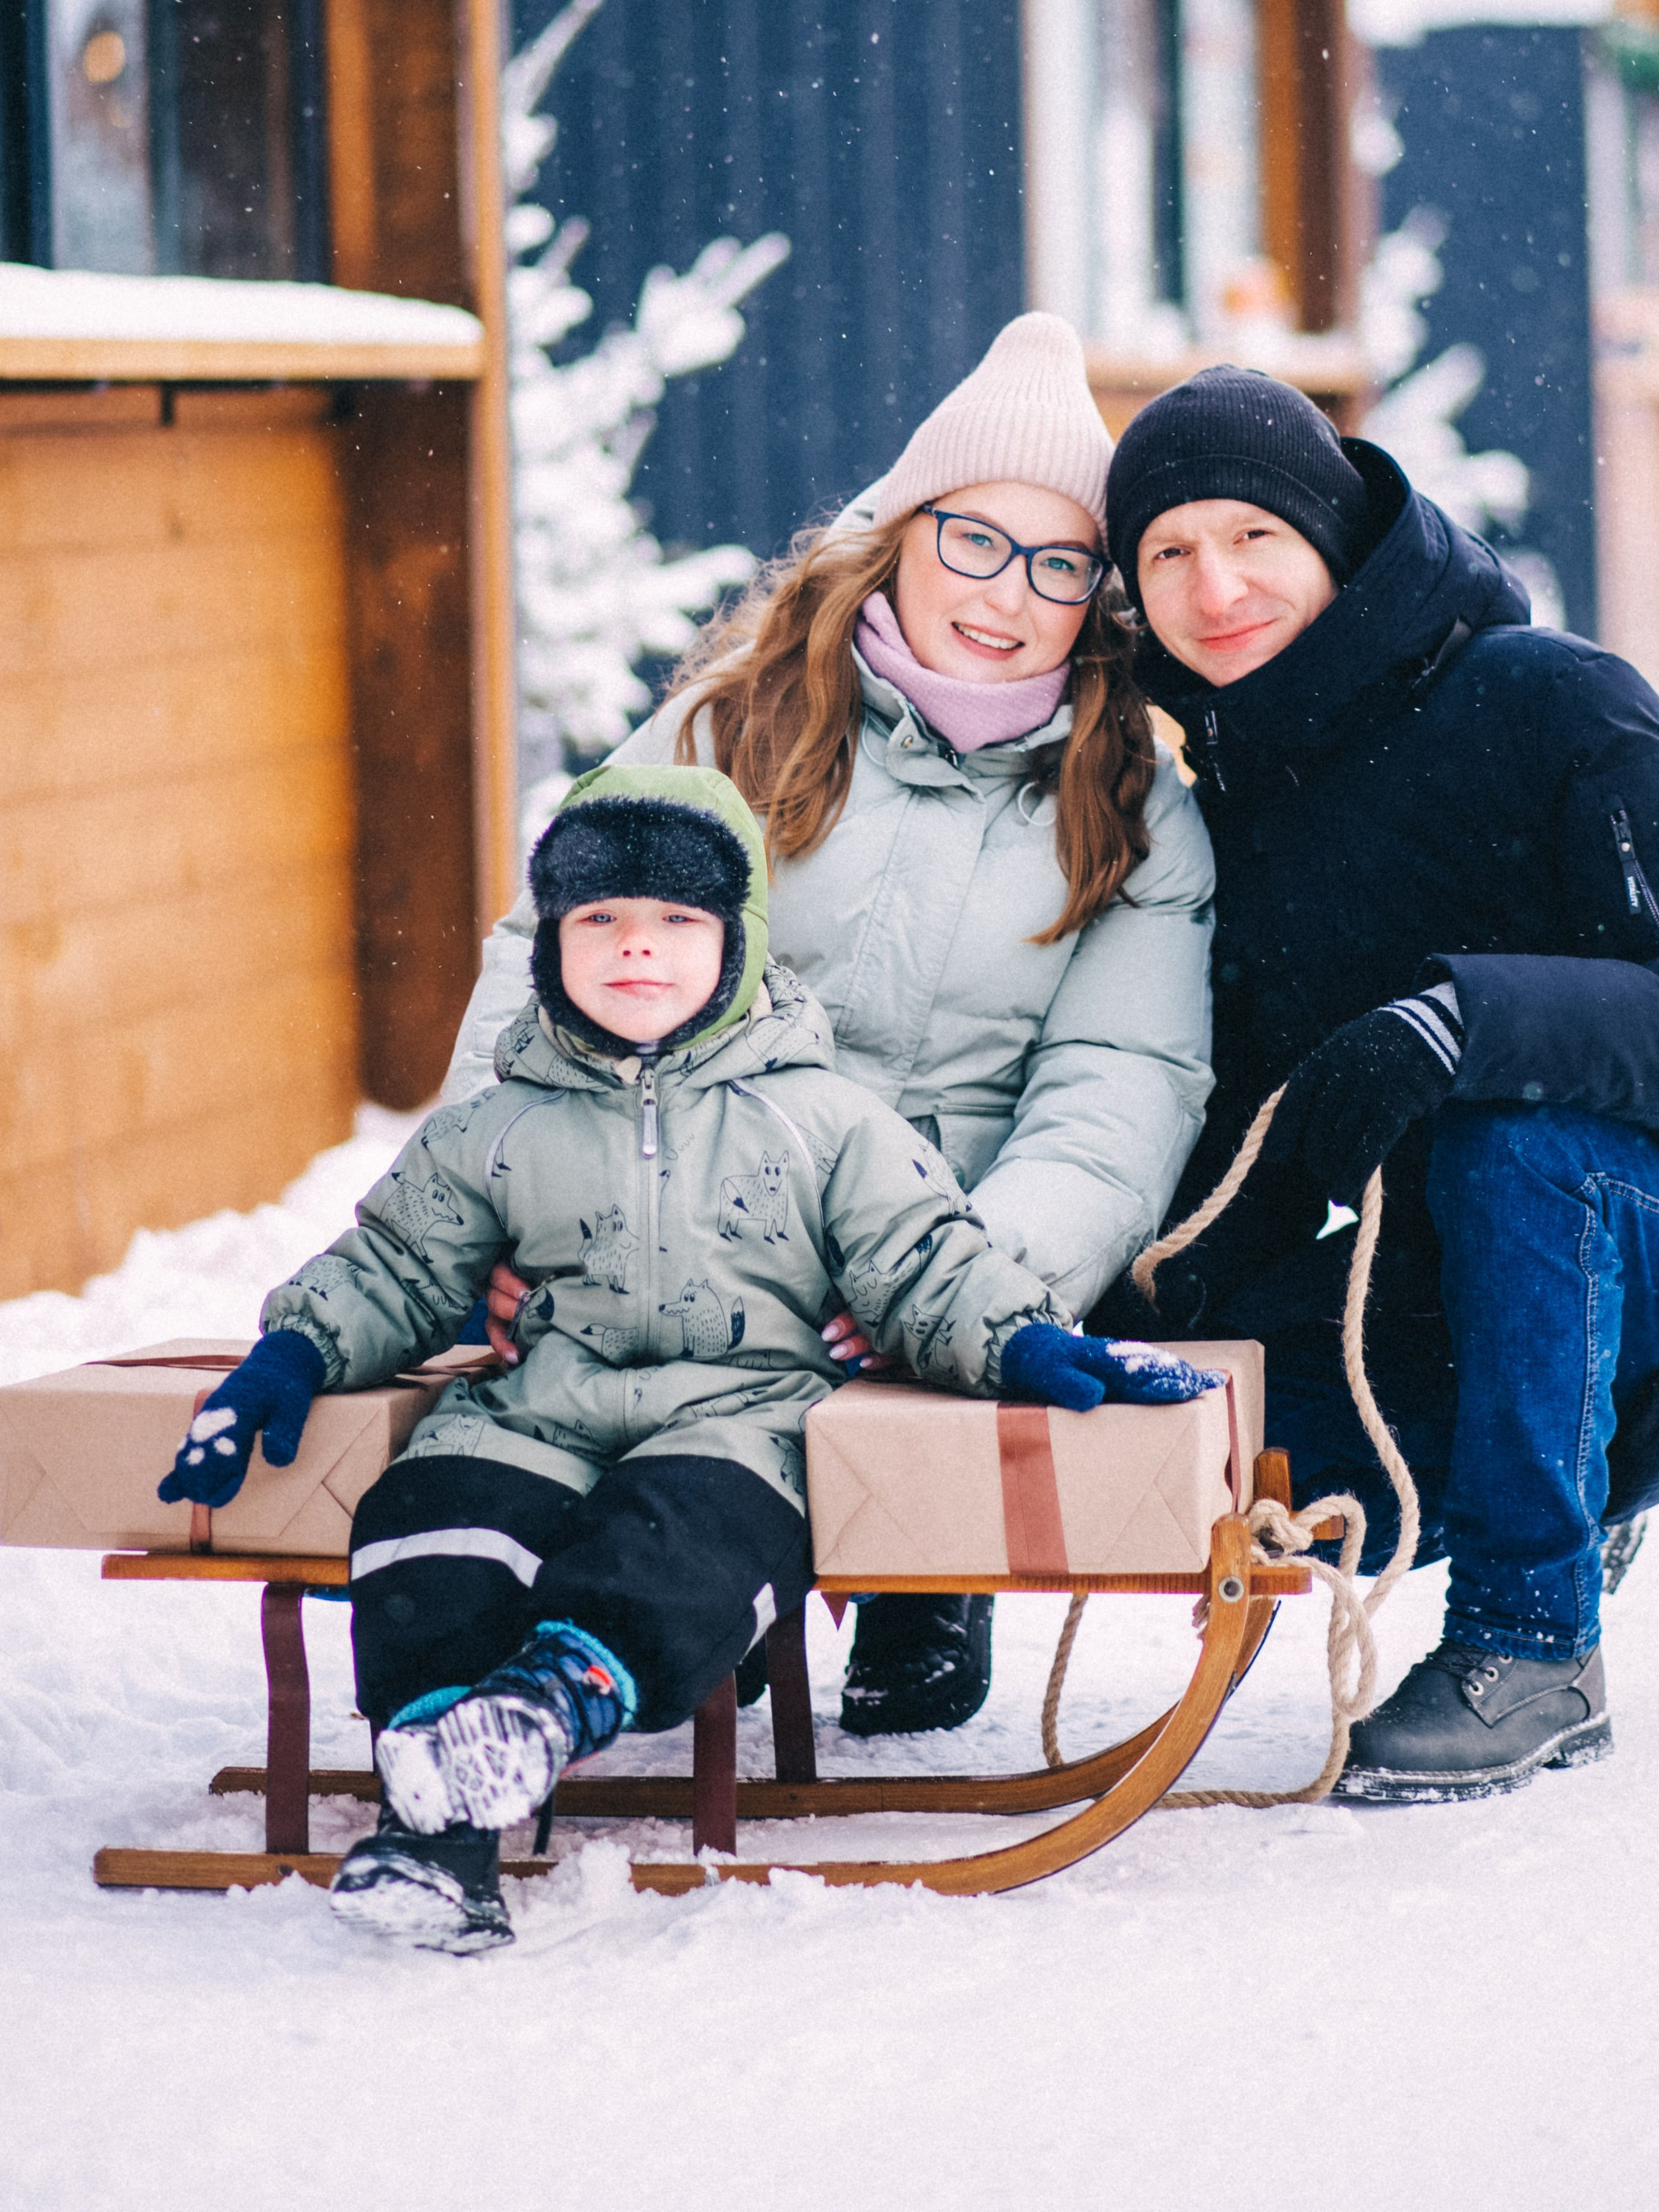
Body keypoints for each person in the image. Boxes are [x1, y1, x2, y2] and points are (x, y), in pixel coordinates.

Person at [159, 767, 1215, 1953]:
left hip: (739, 1416)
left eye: (678, 921)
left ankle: (550, 1704)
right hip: (535, 1411)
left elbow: (923, 1256)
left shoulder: (823, 1116)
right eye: (598, 920)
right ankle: (446, 1835)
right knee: (428, 1530)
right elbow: (399, 1264)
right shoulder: (494, 1127)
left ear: (739, 943)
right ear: (552, 941)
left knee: (688, 1546)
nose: (637, 951)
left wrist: (1024, 1340)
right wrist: (289, 1357)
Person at [1099, 363, 1659, 1804]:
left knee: (1505, 1143)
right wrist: (1094, 1318)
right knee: (1191, 1429)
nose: (1216, 587)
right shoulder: (1233, 803)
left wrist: (1461, 1024)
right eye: (1169, 553)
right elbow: (1254, 1128)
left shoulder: (1551, 700)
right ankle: (1570, 1481)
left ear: (1334, 535)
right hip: (1446, 1287)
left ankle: (1536, 1640)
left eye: (1254, 535)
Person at [443, 315, 1215, 1736]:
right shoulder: (741, 724)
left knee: (889, 1363)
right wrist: (497, 1208)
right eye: (976, 541)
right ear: (903, 531)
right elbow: (547, 954)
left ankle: (917, 1570)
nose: (1008, 594)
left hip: (931, 1245)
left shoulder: (1131, 804)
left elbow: (1121, 1083)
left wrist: (966, 1281)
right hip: (677, 1200)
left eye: (1060, 565)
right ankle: (620, 1583)